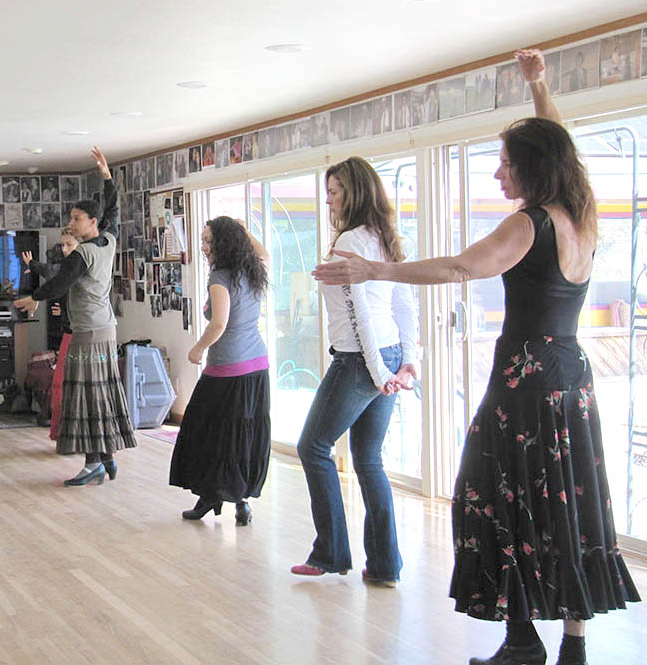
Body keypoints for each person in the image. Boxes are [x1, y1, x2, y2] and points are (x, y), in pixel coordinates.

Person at [313, 49, 640, 665]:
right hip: (571, 381)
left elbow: (462, 266)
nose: (497, 175)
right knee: (564, 504)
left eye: (505, 165)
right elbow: (563, 144)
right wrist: (539, 87)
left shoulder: (529, 226)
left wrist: (374, 269)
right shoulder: (582, 217)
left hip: (523, 384)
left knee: (490, 496)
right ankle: (571, 645)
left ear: (532, 171)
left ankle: (521, 640)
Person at [289, 156, 418, 587]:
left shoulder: (349, 242)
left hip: (360, 360)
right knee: (367, 459)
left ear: (356, 191)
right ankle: (384, 565)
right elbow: (403, 305)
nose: (328, 200)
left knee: (313, 447)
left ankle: (331, 552)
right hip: (385, 354)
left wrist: (382, 371)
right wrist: (407, 361)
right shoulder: (383, 239)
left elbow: (359, 312)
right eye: (327, 191)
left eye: (335, 191)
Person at [14, 148, 136, 485]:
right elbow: (112, 208)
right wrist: (107, 176)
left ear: (91, 223)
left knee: (86, 397)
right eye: (72, 217)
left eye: (77, 218)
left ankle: (94, 463)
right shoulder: (108, 239)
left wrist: (32, 297)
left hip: (88, 333)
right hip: (105, 330)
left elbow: (57, 284)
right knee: (99, 394)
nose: (71, 223)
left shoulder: (82, 253)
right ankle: (106, 457)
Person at [169, 217, 271, 526]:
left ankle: (212, 496)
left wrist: (198, 348)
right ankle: (238, 500)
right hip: (257, 367)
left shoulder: (220, 277)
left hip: (227, 368)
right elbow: (264, 253)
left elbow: (219, 323)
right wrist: (244, 231)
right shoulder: (252, 270)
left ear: (223, 243)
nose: (203, 246)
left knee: (207, 432)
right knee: (241, 434)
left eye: (208, 240)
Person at [22, 229, 79, 441]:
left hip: (80, 335)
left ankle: (68, 433)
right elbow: (56, 278)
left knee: (65, 383)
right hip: (70, 330)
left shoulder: (77, 266)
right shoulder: (67, 266)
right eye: (62, 245)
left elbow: (54, 275)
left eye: (69, 245)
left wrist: (32, 266)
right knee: (60, 383)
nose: (64, 250)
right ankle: (62, 432)